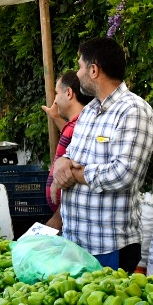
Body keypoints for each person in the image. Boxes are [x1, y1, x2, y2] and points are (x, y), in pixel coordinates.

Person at [49, 37, 153, 272]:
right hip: (77, 243)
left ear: (94, 70)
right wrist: (62, 164)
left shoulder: (134, 111)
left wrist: (77, 175)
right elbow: (71, 155)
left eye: (80, 67)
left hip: (109, 248)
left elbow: (124, 173)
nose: (77, 74)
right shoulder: (88, 112)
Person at [42, 70, 87, 215]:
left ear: (68, 93)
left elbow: (72, 171)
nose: (54, 100)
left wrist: (58, 217)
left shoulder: (82, 125)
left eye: (57, 93)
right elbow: (71, 139)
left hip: (65, 215)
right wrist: (55, 117)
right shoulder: (75, 125)